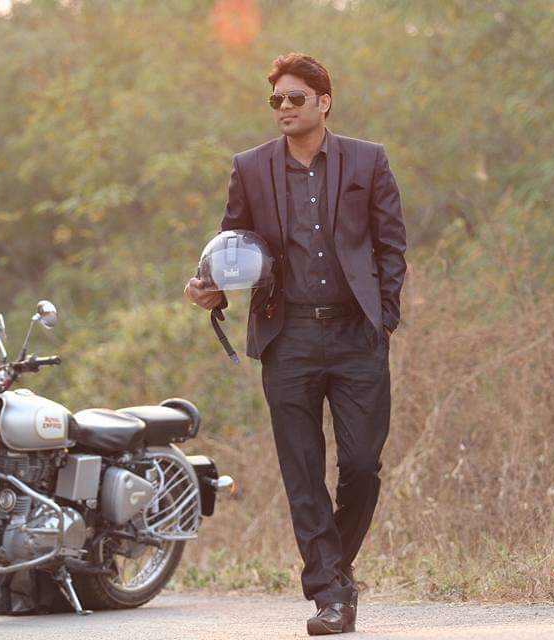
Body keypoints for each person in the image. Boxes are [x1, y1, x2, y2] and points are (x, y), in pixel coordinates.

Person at [184, 52, 406, 636]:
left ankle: (336, 568)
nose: (283, 107)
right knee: (302, 470)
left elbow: (391, 246)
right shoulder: (250, 167)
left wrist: (384, 318)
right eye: (276, 99)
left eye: (295, 98)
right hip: (288, 336)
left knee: (362, 465)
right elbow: (233, 247)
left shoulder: (368, 160)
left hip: (358, 333)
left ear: (323, 102)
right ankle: (330, 593)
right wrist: (210, 290)